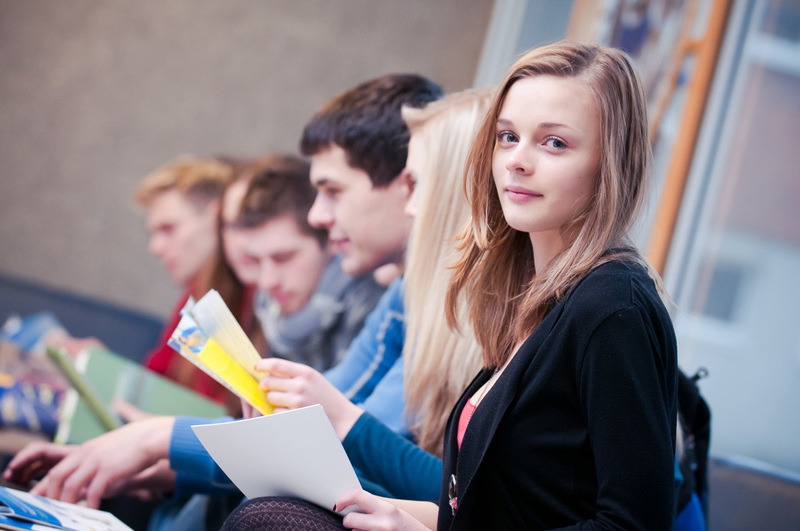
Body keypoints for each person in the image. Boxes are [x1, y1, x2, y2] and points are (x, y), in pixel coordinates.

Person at [3, 73, 442, 512]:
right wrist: (163, 453)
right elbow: (304, 446)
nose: (319, 215)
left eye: (332, 191)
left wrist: (162, 439)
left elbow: (345, 461)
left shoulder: (396, 298)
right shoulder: (399, 293)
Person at [310, 41, 676, 530]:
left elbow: (632, 526)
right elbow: (497, 513)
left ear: (609, 165)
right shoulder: (530, 298)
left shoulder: (613, 305)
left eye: (555, 143)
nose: (516, 161)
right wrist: (403, 516)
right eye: (507, 137)